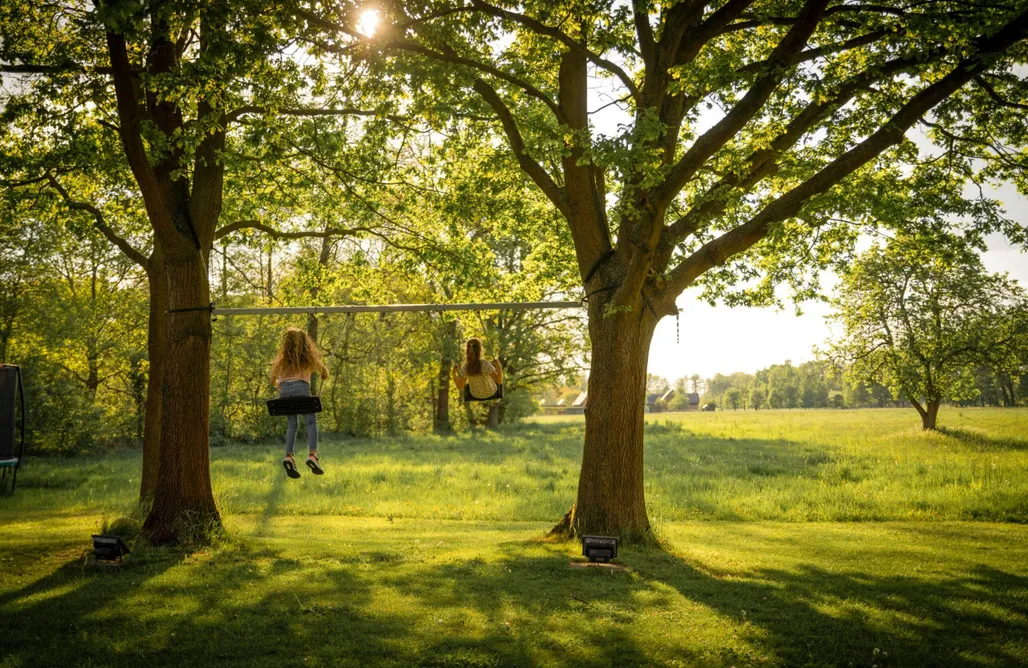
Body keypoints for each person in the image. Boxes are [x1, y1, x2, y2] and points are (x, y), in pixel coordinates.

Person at [269, 327, 329, 478]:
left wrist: (281, 384)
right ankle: (313, 455)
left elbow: (272, 381)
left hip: (284, 392)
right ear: (305, 343)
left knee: (292, 424)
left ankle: (289, 456)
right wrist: (323, 374)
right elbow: (324, 371)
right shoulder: (308, 357)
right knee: (311, 422)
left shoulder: (282, 360)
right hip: (301, 389)